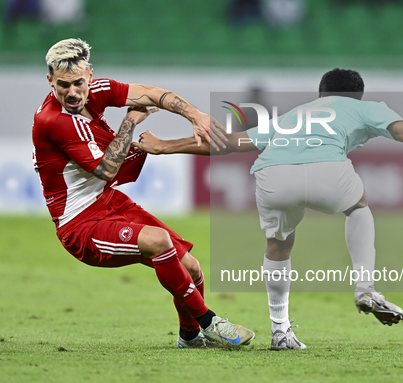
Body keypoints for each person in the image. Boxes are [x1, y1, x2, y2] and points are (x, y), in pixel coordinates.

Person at [133, 68, 403, 350]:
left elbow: (229, 143)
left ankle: (280, 332)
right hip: (329, 170)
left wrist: (165, 144)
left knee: (278, 246)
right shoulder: (366, 109)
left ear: (320, 93)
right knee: (358, 208)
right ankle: (365, 288)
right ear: (356, 97)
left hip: (272, 174)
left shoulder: (294, 114)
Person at [31, 38, 253, 349]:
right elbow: (107, 169)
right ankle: (210, 322)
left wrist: (195, 115)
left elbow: (152, 93)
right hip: (79, 225)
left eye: (78, 83)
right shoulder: (54, 121)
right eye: (63, 85)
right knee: (158, 241)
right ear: (50, 80)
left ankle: (189, 336)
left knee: (191, 267)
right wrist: (129, 122)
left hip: (108, 202)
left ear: (90, 77)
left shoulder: (95, 92)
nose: (72, 93)